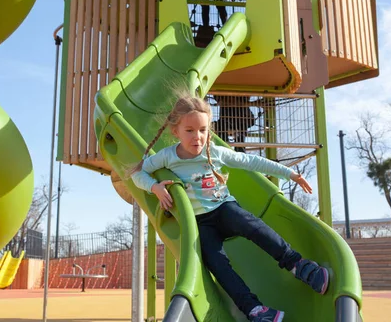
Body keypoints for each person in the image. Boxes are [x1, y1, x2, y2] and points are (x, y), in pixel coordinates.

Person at [130, 95, 328, 322]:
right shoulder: (167, 157)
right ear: (176, 131)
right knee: (218, 266)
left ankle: (298, 265)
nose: (198, 137)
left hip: (223, 208)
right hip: (199, 223)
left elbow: (250, 162)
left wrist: (290, 173)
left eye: (203, 130)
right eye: (190, 130)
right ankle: (255, 310)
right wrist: (154, 187)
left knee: (252, 225)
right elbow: (137, 173)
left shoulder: (213, 151)